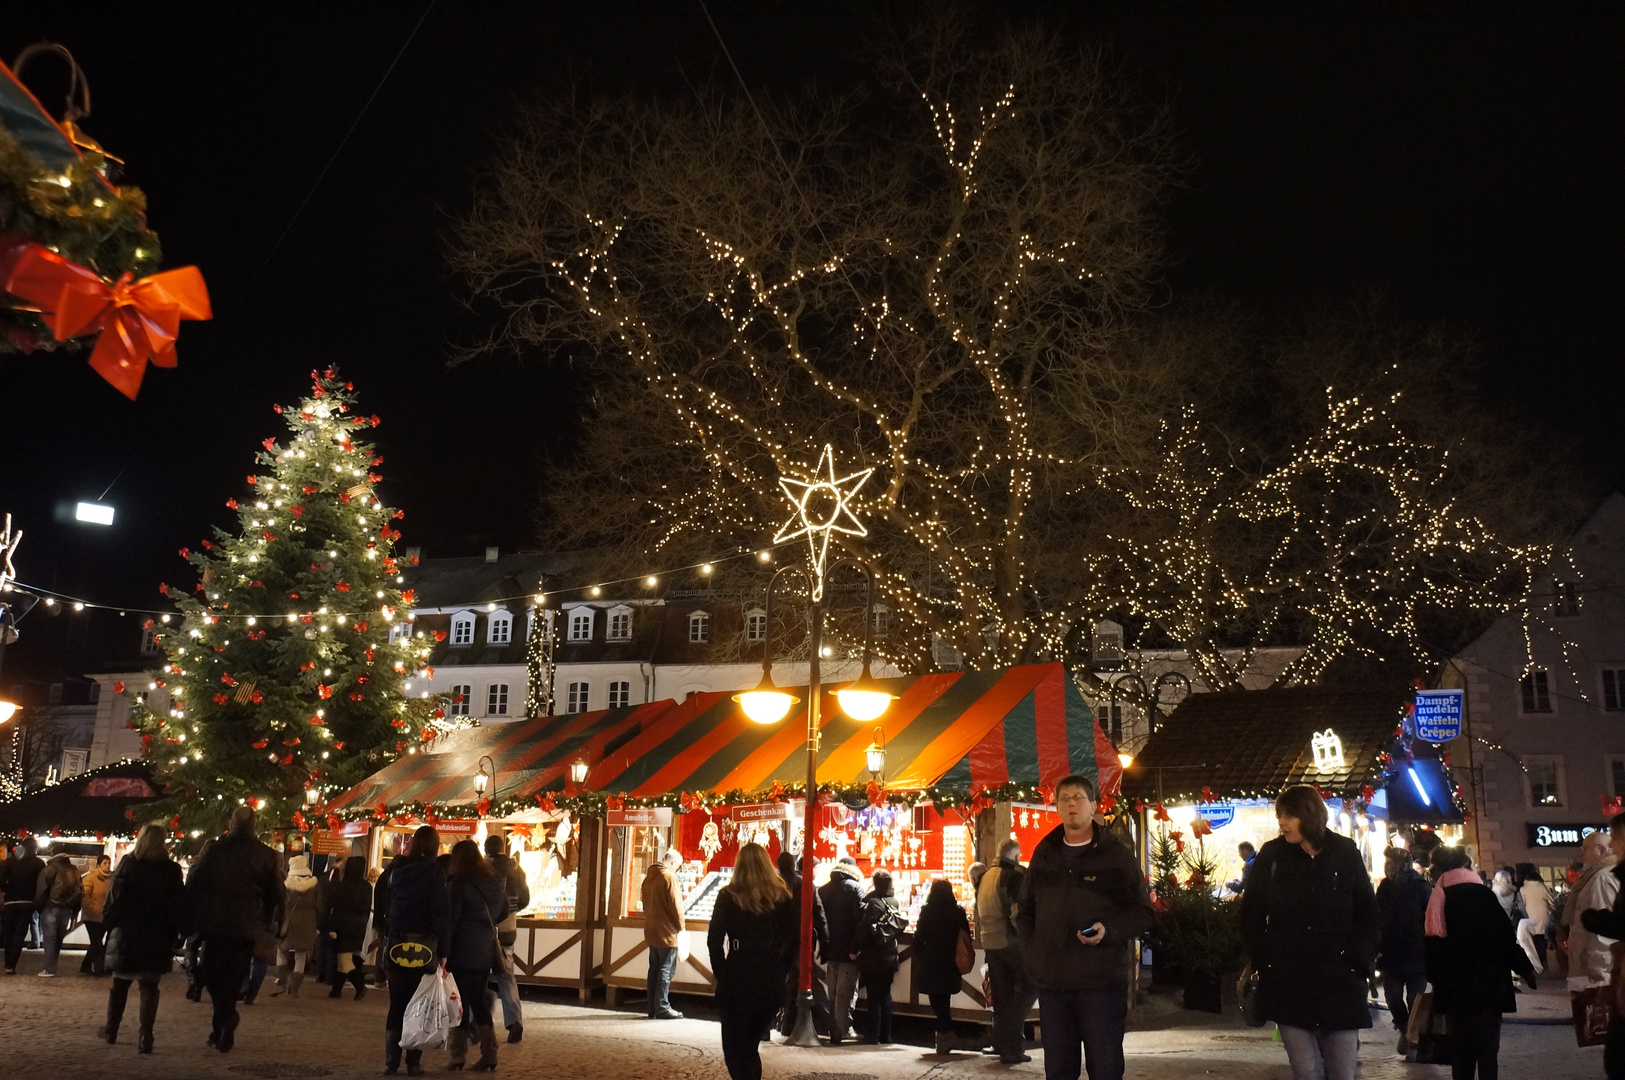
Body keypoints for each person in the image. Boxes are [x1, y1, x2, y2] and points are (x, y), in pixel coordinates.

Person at [1017, 774, 1154, 1080]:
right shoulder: (1045, 854)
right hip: (1053, 985)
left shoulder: (1116, 855)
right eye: (1063, 799)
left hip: (1100, 986)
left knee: (1104, 1069)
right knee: (1059, 1071)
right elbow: (1024, 910)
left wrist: (1109, 929)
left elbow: (1143, 911)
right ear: (1056, 808)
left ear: (1093, 806)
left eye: (1078, 797)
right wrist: (1033, 953)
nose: (1071, 804)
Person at [1239, 785, 1379, 1080]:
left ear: (1310, 815)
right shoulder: (1273, 855)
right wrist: (1265, 959)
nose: (1282, 823)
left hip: (1339, 977)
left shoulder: (1343, 851)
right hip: (1289, 979)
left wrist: (1359, 956)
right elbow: (1251, 913)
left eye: (1290, 815)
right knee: (1307, 1071)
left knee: (1343, 1073)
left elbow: (1367, 909)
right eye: (1280, 816)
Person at [1425, 844, 1535, 1080]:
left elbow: (1431, 946)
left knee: (1461, 1058)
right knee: (1487, 1057)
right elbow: (1505, 938)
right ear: (1465, 867)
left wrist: (1434, 978)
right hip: (1489, 988)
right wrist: (1526, 969)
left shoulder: (1439, 898)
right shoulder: (1484, 895)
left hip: (1455, 991)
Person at [184, 806, 285, 1053]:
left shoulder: (216, 850)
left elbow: (195, 883)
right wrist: (271, 924)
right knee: (232, 976)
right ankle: (225, 1020)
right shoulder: (266, 855)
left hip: (215, 924)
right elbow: (277, 894)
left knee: (212, 973)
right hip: (245, 927)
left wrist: (192, 915)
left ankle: (223, 1021)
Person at [708, 843, 797, 1080]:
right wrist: (782, 973)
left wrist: (722, 974)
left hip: (737, 977)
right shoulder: (782, 897)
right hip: (769, 979)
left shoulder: (729, 896)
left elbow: (714, 940)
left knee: (734, 1049)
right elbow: (793, 940)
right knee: (749, 1046)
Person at [98, 824, 185, 1053]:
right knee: (149, 987)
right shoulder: (171, 870)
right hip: (157, 935)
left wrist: (109, 923)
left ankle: (111, 1030)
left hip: (128, 933)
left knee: (120, 985)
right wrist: (175, 933)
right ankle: (146, 1035)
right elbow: (177, 906)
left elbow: (115, 897)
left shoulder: (129, 863)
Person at [375, 826, 451, 1076]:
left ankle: (390, 1061)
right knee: (419, 1003)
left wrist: (382, 928)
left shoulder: (395, 868)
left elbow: (380, 896)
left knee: (396, 1003)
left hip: (396, 942)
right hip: (425, 945)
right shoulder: (434, 871)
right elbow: (440, 911)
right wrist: (444, 949)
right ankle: (413, 1062)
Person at [445, 837, 509, 1071]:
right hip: (484, 949)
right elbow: (504, 911)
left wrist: (444, 950)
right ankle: (489, 1052)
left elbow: (452, 919)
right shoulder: (494, 883)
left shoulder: (459, 884)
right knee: (478, 1000)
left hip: (461, 949)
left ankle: (457, 1054)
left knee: (459, 1003)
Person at [980, 837, 1036, 1065]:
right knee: (1031, 986)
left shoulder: (987, 875)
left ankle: (1008, 1050)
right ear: (1016, 856)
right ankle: (1006, 1034)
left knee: (1002, 996)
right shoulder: (1012, 875)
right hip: (1009, 941)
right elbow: (1017, 913)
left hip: (989, 942)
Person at [1580, 813, 1625, 1076]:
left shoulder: (1604, 876)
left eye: (1617, 837)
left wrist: (1592, 919)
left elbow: (1618, 923)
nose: (1613, 845)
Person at [1375, 846, 1431, 1054]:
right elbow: (1378, 918)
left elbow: (1429, 918)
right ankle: (1404, 1028)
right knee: (1393, 997)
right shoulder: (1385, 887)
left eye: (1390, 863)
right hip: (1391, 953)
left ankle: (1413, 1038)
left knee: (1415, 999)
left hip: (1416, 952)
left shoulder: (1421, 887)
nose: (1387, 866)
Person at [913, 876, 973, 1054]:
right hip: (949, 960)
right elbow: (966, 936)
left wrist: (920, 955)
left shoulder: (927, 911)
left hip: (931, 959)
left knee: (936, 998)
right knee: (944, 997)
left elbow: (919, 936)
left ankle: (944, 1036)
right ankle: (945, 1035)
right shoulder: (958, 911)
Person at [775, 850, 830, 1037]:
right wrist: (825, 942)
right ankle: (831, 1025)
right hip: (801, 940)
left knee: (781, 981)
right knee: (807, 981)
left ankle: (782, 1023)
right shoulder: (805, 884)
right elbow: (819, 915)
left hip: (778, 940)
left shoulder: (774, 884)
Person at [484, 834, 531, 1040]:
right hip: (509, 928)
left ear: (486, 849)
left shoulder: (483, 868)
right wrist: (512, 910)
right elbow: (526, 899)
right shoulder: (516, 869)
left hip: (485, 927)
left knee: (479, 975)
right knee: (507, 974)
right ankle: (514, 1022)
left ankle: (476, 1021)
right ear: (503, 848)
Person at [853, 868, 906, 1045]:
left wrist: (855, 949)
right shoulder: (894, 902)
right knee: (886, 997)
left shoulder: (873, 903)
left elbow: (863, 930)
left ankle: (873, 1036)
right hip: (890, 957)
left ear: (874, 884)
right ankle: (886, 1035)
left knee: (874, 998)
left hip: (873, 958)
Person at [1559, 829, 1618, 989]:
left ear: (1602, 850)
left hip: (1596, 967)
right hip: (1589, 959)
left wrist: (1596, 964)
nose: (1581, 853)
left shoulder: (1602, 878)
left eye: (1586, 848)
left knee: (1595, 1010)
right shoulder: (1597, 876)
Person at [818, 854, 865, 1046]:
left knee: (833, 991)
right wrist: (857, 946)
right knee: (845, 992)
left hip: (831, 948)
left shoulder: (823, 889)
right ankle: (843, 1029)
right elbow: (862, 919)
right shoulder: (855, 888)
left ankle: (834, 1028)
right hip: (848, 948)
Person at [321, 854, 374, 1001]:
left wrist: (328, 924)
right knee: (344, 957)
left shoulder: (341, 885)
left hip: (342, 926)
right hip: (359, 927)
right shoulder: (366, 887)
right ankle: (336, 989)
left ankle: (359, 985)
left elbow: (330, 905)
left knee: (344, 958)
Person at [641, 847, 685, 1020]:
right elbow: (676, 905)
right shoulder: (669, 877)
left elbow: (645, 904)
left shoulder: (649, 878)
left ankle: (652, 1007)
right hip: (667, 931)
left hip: (651, 929)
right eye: (678, 866)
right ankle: (662, 1006)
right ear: (672, 862)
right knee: (666, 969)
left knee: (654, 969)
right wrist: (681, 926)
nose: (677, 869)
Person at [276, 854, 321, 997]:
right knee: (301, 955)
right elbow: (320, 906)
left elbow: (281, 904)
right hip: (308, 922)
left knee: (281, 950)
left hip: (289, 922)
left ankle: (281, 978)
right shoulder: (314, 885)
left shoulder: (286, 884)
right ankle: (294, 987)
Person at [34, 848, 83, 977]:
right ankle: (52, 964)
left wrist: (39, 908)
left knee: (50, 938)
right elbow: (79, 891)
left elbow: (41, 891)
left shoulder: (49, 869)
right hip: (67, 908)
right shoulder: (74, 870)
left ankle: (49, 968)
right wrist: (75, 910)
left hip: (50, 907)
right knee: (58, 939)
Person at [1, 837, 46, 973]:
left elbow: (1, 880)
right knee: (19, 935)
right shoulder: (39, 863)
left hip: (10, 902)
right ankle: (12, 965)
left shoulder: (10, 862)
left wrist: (8, 889)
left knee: (9, 933)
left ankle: (8, 963)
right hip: (27, 902)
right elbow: (41, 884)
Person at [1513, 863, 1553, 974]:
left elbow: (1521, 905)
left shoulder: (1523, 889)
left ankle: (1535, 963)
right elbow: (1552, 901)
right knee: (1541, 939)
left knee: (1532, 941)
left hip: (1529, 917)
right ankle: (1543, 961)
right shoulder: (1543, 887)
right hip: (1543, 916)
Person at [79, 854, 113, 976]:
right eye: (104, 863)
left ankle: (86, 965)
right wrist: (92, 909)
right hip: (92, 917)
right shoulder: (91, 878)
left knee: (96, 943)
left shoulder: (112, 879)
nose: (107, 866)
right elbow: (85, 897)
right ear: (99, 865)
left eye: (109, 863)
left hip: (105, 916)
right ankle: (99, 968)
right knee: (97, 942)